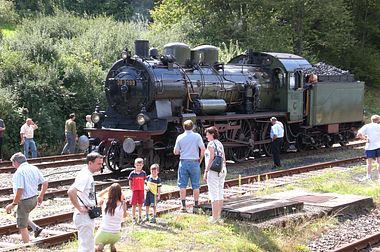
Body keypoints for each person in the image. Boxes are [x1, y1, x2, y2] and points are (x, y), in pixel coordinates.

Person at [5, 152, 48, 243]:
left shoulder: (19, 172)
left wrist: (13, 204)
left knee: (22, 225)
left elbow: (20, 189)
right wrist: (41, 196)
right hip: (34, 198)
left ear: (16, 162)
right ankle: (35, 228)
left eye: (13, 163)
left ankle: (26, 245)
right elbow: (45, 183)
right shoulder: (34, 168)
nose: (13, 166)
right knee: (18, 214)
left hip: (25, 201)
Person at [67, 152, 104, 252]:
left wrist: (96, 200)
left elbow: (86, 193)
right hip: (84, 216)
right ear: (90, 163)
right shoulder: (85, 176)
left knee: (88, 245)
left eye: (101, 163)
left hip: (87, 215)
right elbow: (71, 191)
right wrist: (79, 207)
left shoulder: (87, 174)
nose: (101, 166)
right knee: (86, 247)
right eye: (99, 164)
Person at [173, 120, 205, 212]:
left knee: (182, 185)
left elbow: (176, 152)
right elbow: (203, 149)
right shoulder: (197, 136)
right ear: (193, 127)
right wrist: (200, 159)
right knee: (196, 185)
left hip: (183, 162)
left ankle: (183, 206)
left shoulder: (180, 137)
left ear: (183, 127)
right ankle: (195, 206)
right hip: (195, 162)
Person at [203, 126, 227, 223]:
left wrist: (206, 171)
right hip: (222, 169)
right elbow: (224, 157)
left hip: (213, 171)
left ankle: (214, 217)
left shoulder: (210, 145)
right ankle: (219, 216)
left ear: (212, 134)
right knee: (220, 192)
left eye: (207, 134)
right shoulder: (220, 143)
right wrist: (224, 167)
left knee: (213, 193)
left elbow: (211, 158)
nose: (206, 136)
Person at [95, 183, 127, 252]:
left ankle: (100, 246)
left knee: (94, 245)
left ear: (110, 192)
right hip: (116, 234)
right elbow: (124, 216)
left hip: (103, 233)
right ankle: (112, 245)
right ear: (120, 193)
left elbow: (98, 195)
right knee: (112, 240)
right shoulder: (123, 204)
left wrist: (106, 190)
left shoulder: (106, 202)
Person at [356, 114, 380, 180]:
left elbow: (358, 134)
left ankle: (368, 176)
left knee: (369, 163)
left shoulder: (367, 126)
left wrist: (365, 139)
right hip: (379, 146)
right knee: (379, 162)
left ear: (371, 120)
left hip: (370, 147)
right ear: (378, 120)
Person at [128, 157, 147, 224]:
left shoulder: (143, 173)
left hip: (141, 190)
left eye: (140, 165)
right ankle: (133, 217)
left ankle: (140, 217)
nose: (139, 167)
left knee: (140, 204)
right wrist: (131, 188)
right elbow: (130, 181)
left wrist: (146, 187)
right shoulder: (132, 173)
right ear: (135, 165)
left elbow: (145, 181)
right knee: (133, 204)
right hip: (135, 190)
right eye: (137, 165)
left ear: (142, 165)